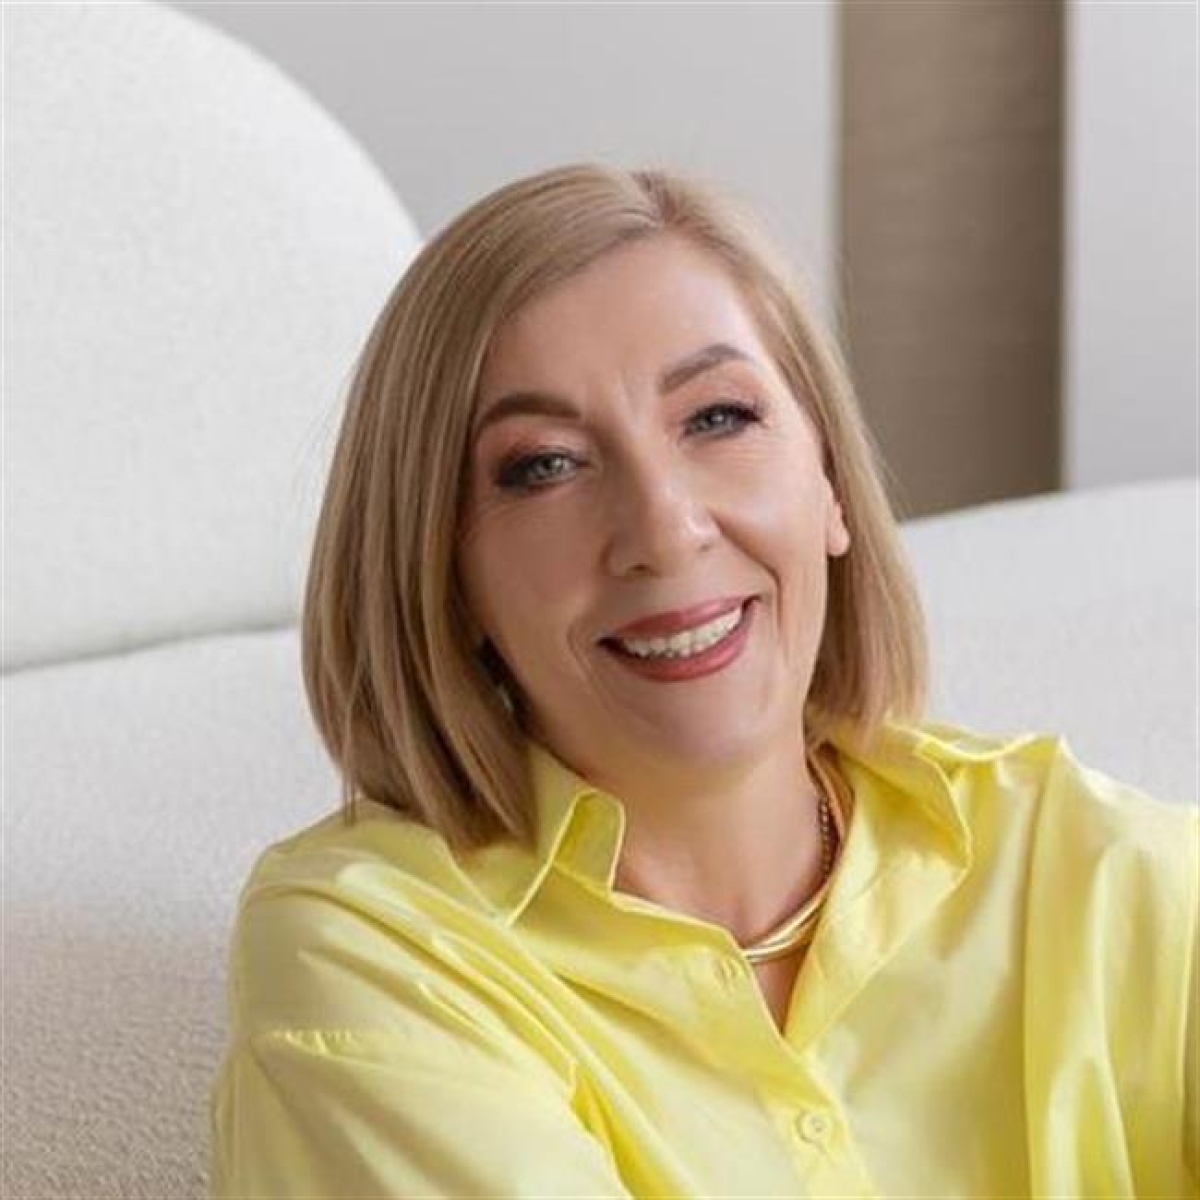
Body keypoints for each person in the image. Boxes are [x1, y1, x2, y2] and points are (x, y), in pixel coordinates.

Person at [208, 163, 1198, 1198]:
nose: (665, 528)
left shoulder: (1103, 872)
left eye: (717, 418)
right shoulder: (371, 958)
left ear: (828, 481)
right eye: (545, 465)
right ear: (442, 575)